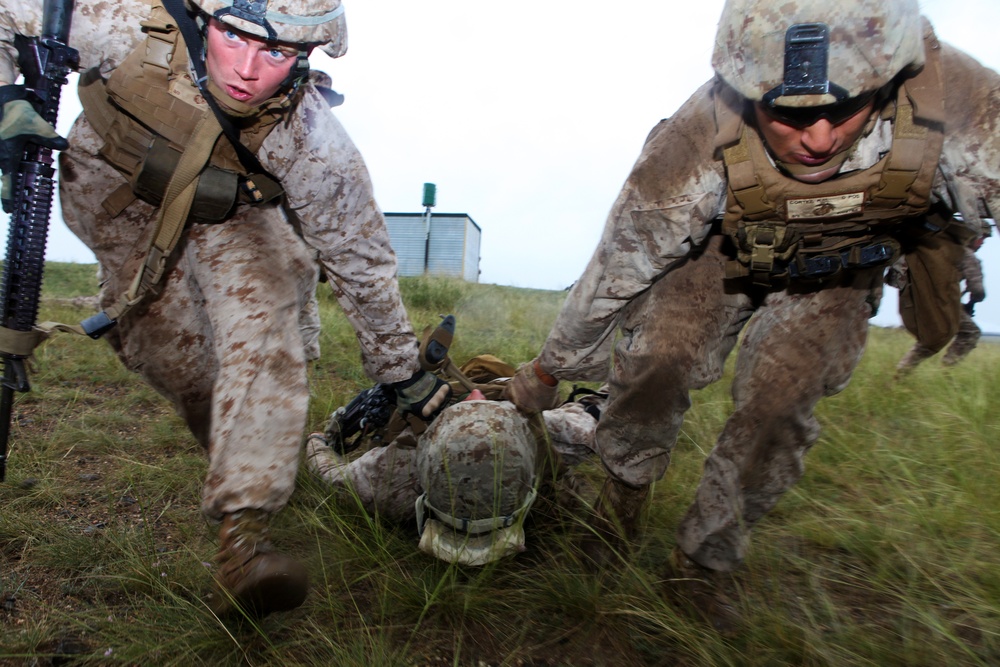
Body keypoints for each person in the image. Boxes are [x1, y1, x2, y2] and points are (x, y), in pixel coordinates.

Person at [506, 0, 1000, 633]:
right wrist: (547, 373)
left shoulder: (962, 105)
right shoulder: (700, 136)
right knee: (658, 358)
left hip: (841, 273)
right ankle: (621, 497)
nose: (819, 139)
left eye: (844, 110)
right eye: (790, 116)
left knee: (779, 402)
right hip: (720, 253)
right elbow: (616, 267)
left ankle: (701, 563)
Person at [0, 0, 450, 618]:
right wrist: (4, 96)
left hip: (228, 213)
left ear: (305, 56)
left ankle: (246, 536)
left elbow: (361, 258)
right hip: (117, 200)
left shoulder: (310, 140)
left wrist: (404, 373)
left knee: (267, 317)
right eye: (232, 38)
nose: (246, 69)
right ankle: (231, 443)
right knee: (180, 363)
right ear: (201, 17)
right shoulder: (125, 22)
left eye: (276, 53)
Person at [306, 354, 605, 566]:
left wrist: (318, 441)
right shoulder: (547, 438)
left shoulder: (390, 480)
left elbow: (330, 474)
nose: (475, 396)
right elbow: (595, 416)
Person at [893, 231, 990, 375]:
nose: (982, 243)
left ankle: (901, 372)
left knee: (933, 337)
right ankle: (946, 371)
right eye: (982, 238)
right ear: (973, 237)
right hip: (942, 303)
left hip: (916, 300)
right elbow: (977, 290)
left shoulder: (937, 248)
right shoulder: (967, 255)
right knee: (970, 332)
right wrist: (971, 303)